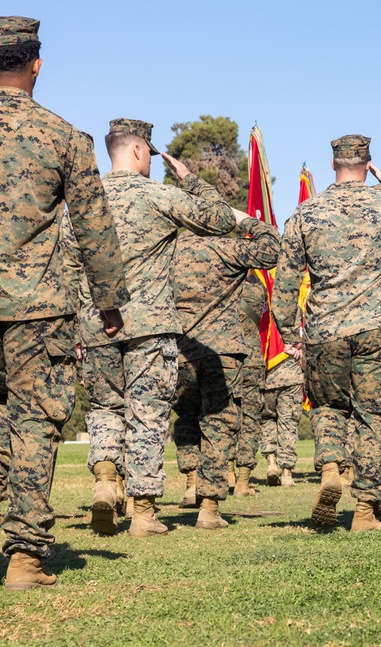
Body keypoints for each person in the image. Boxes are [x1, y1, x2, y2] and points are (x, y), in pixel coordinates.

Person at [0, 16, 129, 589]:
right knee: (33, 423)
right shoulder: (65, 137)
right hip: (38, 310)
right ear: (36, 64)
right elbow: (95, 229)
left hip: (36, 308)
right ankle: (26, 557)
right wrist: (109, 302)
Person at [70, 118, 238, 538]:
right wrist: (191, 180)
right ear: (141, 151)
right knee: (147, 417)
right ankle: (143, 514)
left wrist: (73, 329)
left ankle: (107, 480)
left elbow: (67, 266)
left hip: (94, 329)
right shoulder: (158, 196)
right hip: (149, 325)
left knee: (105, 409)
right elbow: (221, 219)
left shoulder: (81, 202)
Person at [271, 134, 381, 531]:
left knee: (329, 406)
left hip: (324, 330)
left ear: (333, 165)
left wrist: (287, 332)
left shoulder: (305, 212)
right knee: (373, 417)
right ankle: (365, 511)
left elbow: (286, 280)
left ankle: (330, 466)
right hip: (380, 329)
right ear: (368, 164)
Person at [172, 212, 279, 529]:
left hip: (179, 351)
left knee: (187, 416)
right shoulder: (229, 250)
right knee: (218, 423)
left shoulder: (169, 249)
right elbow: (273, 247)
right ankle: (209, 507)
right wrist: (243, 219)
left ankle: (192, 482)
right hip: (224, 352)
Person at [230, 275, 268, 497]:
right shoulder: (257, 290)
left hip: (228, 357)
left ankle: (226, 472)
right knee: (250, 418)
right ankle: (243, 481)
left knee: (225, 415)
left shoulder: (221, 286)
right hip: (252, 358)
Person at [261, 351, 305, 488]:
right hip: (290, 375)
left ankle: (271, 462)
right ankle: (287, 474)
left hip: (265, 376)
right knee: (288, 424)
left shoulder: (261, 329)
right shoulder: (293, 328)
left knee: (266, 419)